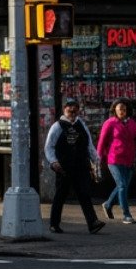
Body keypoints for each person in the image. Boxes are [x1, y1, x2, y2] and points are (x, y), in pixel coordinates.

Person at [45, 98, 105, 235]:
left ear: (78, 109)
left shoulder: (81, 125)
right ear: (64, 109)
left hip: (80, 166)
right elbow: (49, 147)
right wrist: (53, 162)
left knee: (84, 194)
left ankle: (93, 223)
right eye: (69, 107)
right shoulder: (57, 126)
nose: (72, 110)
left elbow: (89, 144)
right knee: (61, 195)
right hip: (64, 167)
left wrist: (96, 159)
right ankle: (54, 224)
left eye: (75, 107)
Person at [98, 99, 136, 225]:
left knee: (123, 186)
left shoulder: (132, 123)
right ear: (114, 110)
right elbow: (101, 141)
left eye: (124, 108)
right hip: (114, 159)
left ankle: (108, 204)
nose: (122, 111)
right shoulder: (109, 123)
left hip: (129, 160)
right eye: (119, 108)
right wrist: (98, 158)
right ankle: (126, 215)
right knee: (122, 185)